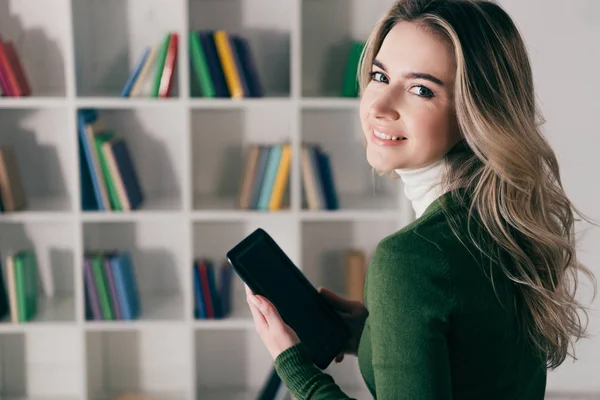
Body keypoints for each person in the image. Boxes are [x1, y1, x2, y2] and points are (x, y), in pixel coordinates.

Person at [244, 0, 597, 398]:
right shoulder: (503, 220)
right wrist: (377, 333)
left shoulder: (410, 259)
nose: (378, 106)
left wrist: (292, 363)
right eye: (380, 75)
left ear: (476, 111)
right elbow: (478, 360)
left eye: (420, 89)